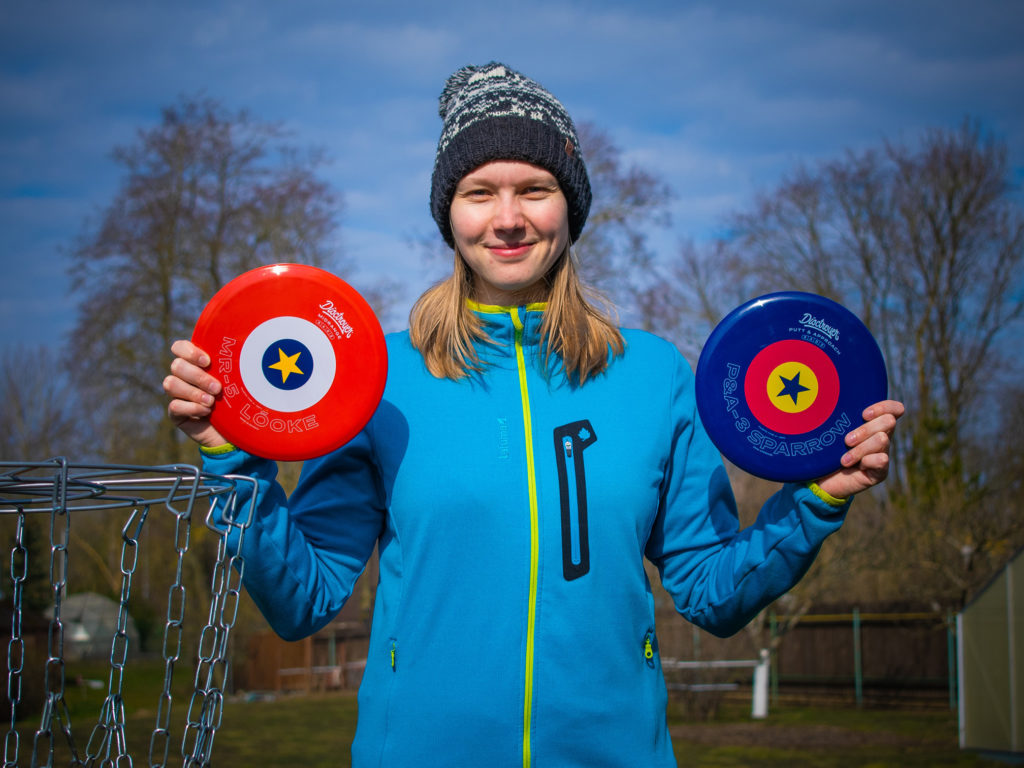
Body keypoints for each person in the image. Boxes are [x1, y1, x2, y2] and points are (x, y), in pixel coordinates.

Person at [164, 62, 904, 767]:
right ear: (448, 213)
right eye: (480, 191)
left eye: (536, 188)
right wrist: (236, 461)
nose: (509, 219)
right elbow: (302, 598)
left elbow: (712, 592)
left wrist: (818, 499)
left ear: (570, 206)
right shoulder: (380, 381)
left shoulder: (652, 375)